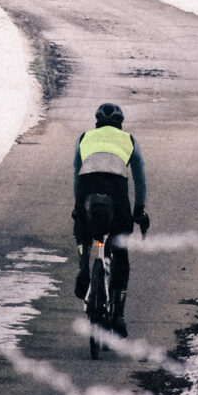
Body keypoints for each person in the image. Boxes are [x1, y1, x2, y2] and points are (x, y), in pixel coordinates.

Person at [72, 102, 149, 338]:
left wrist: (78, 206)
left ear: (97, 122)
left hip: (87, 185)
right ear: (120, 123)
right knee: (120, 248)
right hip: (116, 188)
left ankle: (84, 266)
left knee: (84, 230)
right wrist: (139, 210)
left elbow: (77, 173)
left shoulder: (85, 137)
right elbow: (140, 178)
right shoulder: (129, 140)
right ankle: (118, 315)